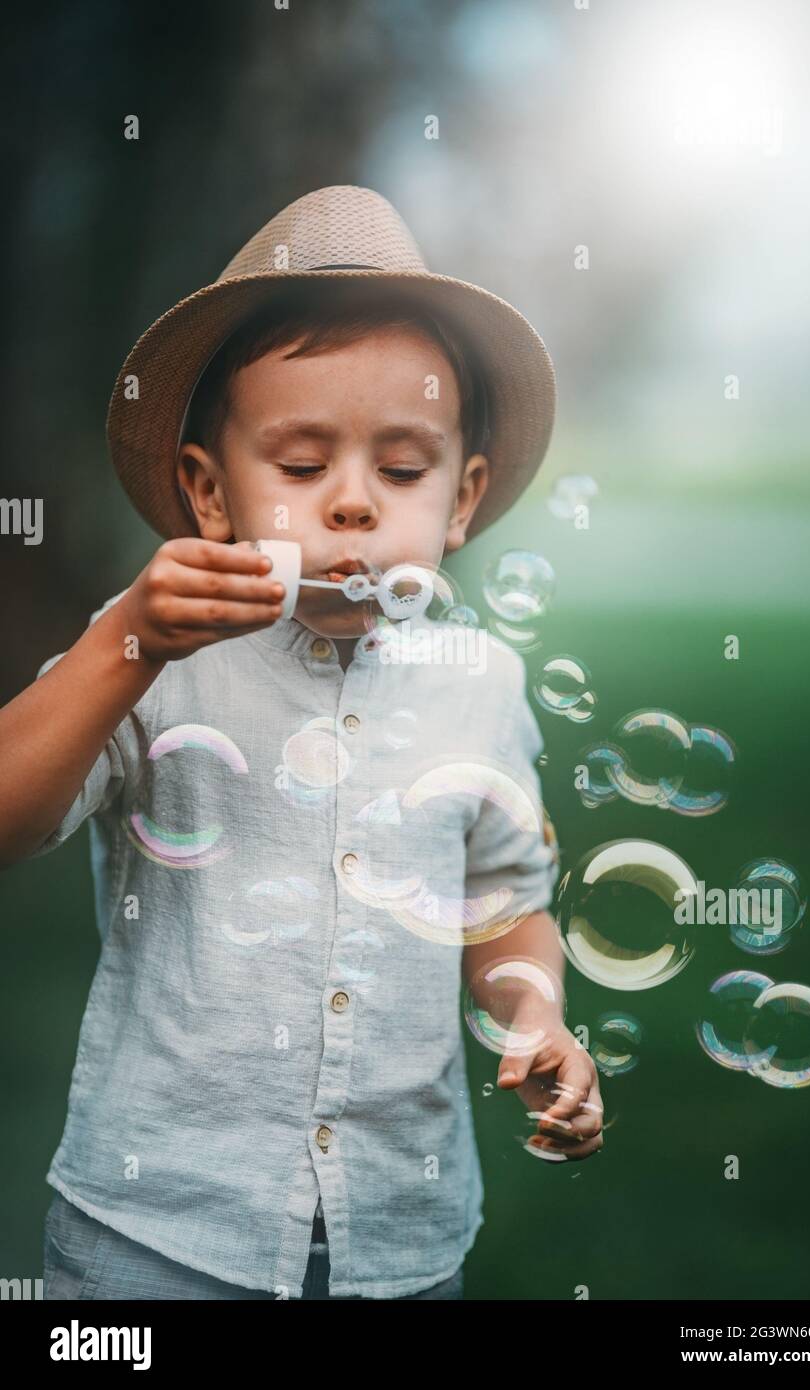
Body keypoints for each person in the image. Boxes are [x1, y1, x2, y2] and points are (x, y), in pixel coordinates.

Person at [0, 185, 603, 1301]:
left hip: (399, 1239)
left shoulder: (482, 681)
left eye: (404, 470)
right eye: (299, 463)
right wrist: (124, 644)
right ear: (208, 494)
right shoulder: (150, 655)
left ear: (462, 499)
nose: (353, 507)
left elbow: (501, 903)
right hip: (159, 1236)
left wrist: (536, 1013)